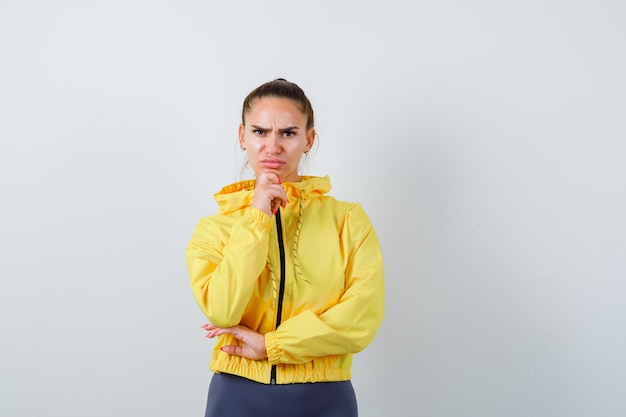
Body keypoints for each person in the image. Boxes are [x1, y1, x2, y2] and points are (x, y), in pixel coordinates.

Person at [185, 78, 385, 417]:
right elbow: (222, 311)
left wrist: (272, 346)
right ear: (242, 136)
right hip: (237, 395)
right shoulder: (214, 229)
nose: (273, 146)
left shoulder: (348, 220)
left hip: (325, 398)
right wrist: (257, 216)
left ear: (308, 140)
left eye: (288, 133)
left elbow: (361, 319)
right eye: (260, 132)